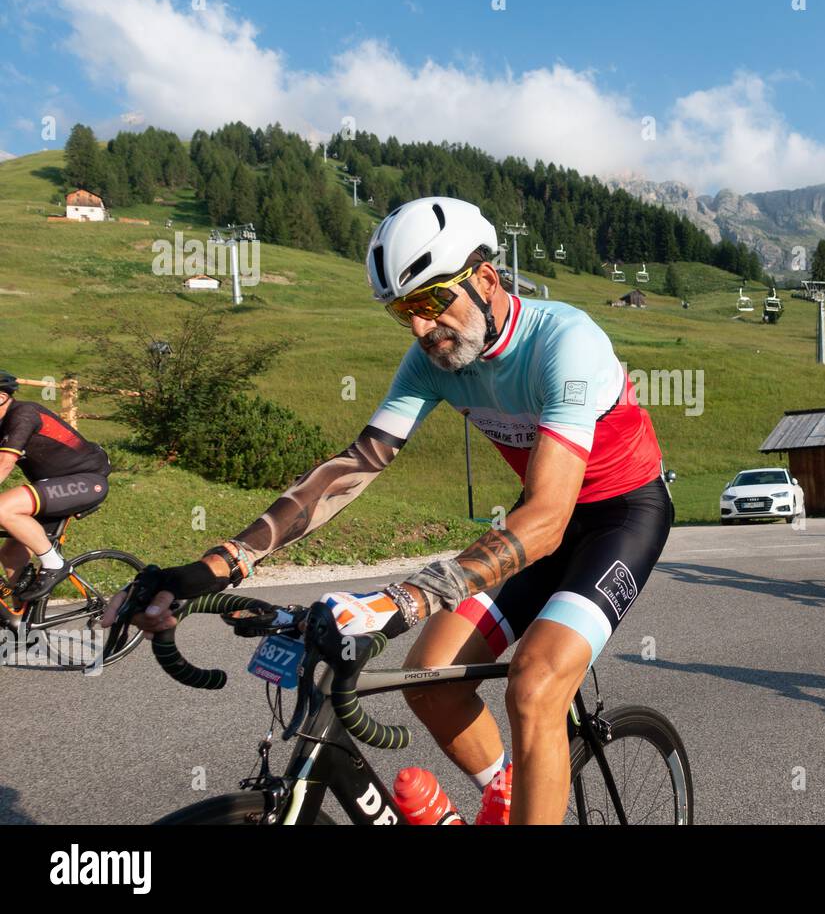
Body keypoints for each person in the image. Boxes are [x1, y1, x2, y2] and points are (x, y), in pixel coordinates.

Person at [104, 196, 672, 824]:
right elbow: (354, 468)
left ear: (485, 279)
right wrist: (220, 563)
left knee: (535, 687)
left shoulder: (564, 342)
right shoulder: (435, 362)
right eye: (404, 312)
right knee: (430, 676)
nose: (421, 330)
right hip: (535, 524)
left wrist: (412, 596)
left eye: (430, 303)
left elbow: (548, 519)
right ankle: (507, 789)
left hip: (620, 516)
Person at [0, 371, 112, 616]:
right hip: (52, 487)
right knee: (10, 554)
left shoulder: (23, 414)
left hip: (86, 480)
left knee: (2, 508)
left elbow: (5, 463)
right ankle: (22, 622)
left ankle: (55, 564)